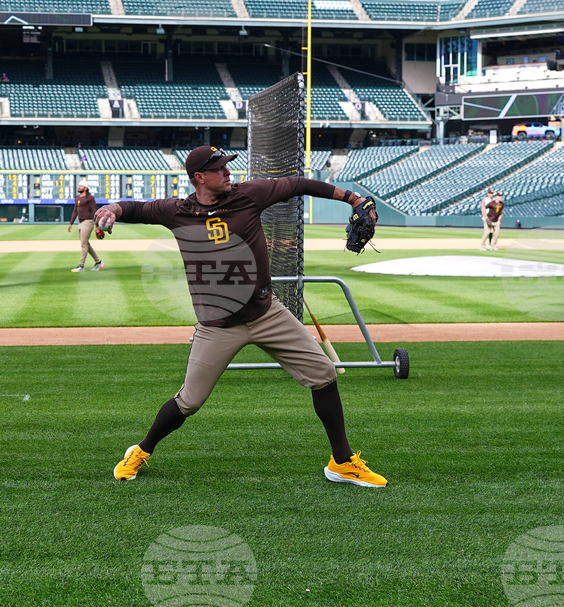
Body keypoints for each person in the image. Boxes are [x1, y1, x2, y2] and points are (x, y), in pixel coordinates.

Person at [99, 145, 387, 487]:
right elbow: (136, 208)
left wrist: (353, 198)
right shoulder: (177, 211)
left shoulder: (249, 194)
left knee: (324, 373)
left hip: (267, 314)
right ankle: (142, 450)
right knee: (189, 402)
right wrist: (111, 209)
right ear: (199, 178)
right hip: (218, 327)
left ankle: (342, 462)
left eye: (227, 166)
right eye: (220, 169)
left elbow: (299, 184)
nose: (228, 172)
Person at [68, 179, 104, 272]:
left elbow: (94, 211)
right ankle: (99, 262)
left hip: (88, 222)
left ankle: (81, 266)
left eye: (81, 186)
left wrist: (98, 224)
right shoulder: (77, 198)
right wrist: (71, 223)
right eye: (79, 185)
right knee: (86, 244)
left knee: (83, 245)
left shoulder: (90, 198)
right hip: (80, 223)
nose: (79, 187)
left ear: (85, 188)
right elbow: (75, 211)